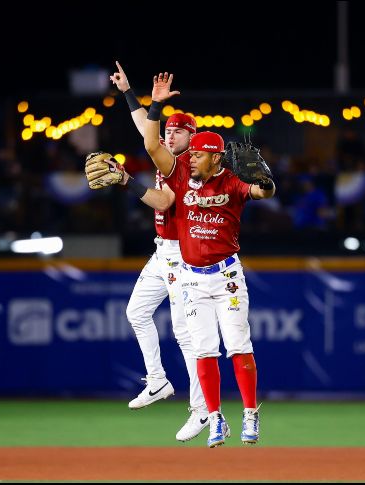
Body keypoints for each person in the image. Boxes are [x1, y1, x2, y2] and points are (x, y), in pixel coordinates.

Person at [142, 72, 276, 447]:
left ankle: (250, 414)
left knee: (238, 345)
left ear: (215, 157)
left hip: (226, 276)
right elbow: (152, 145)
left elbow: (262, 192)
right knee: (203, 350)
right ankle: (216, 420)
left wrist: (267, 181)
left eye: (198, 155)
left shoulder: (231, 181)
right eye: (192, 154)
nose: (191, 159)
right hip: (190, 278)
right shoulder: (180, 175)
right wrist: (155, 104)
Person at [108, 61, 207, 442]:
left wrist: (127, 181)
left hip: (183, 255)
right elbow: (146, 130)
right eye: (168, 129)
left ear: (191, 137)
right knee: (136, 312)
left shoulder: (187, 165)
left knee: (185, 334)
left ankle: (201, 410)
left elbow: (164, 202)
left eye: (178, 130)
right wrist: (128, 93)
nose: (169, 134)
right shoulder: (166, 153)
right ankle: (157, 381)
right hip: (162, 251)